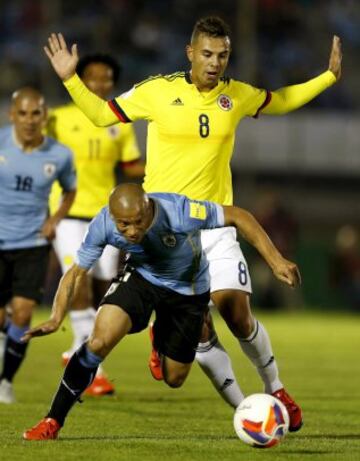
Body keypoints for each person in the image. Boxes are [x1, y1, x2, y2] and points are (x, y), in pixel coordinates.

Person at [43, 16, 342, 431]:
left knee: (236, 312)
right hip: (163, 231)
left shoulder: (235, 96)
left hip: (215, 226)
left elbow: (283, 100)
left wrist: (328, 76)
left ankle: (275, 389)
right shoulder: (157, 92)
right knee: (185, 353)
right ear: (190, 52)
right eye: (207, 54)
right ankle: (217, 381)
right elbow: (100, 115)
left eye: (222, 55)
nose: (215, 62)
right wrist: (71, 80)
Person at [22, 183, 301, 440]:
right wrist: (57, 316)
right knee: (98, 341)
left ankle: (160, 332)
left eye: (138, 222)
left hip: (188, 290)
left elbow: (239, 216)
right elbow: (74, 274)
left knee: (175, 378)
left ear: (149, 209)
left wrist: (276, 261)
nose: (131, 231)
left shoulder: (178, 211)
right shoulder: (103, 224)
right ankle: (52, 420)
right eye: (124, 225)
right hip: (142, 279)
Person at [47, 54, 144, 396]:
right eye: (92, 77)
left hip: (105, 215)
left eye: (105, 79)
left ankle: (76, 345)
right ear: (81, 79)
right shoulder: (57, 118)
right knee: (81, 282)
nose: (99, 84)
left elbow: (132, 165)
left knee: (104, 288)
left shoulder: (119, 122)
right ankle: (94, 371)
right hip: (67, 212)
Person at [0, 87, 76, 404]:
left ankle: (5, 382)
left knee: (23, 312)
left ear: (44, 116)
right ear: (12, 115)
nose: (30, 120)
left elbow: (70, 190)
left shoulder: (60, 154)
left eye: (36, 114)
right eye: (23, 113)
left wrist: (55, 218)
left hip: (33, 242)